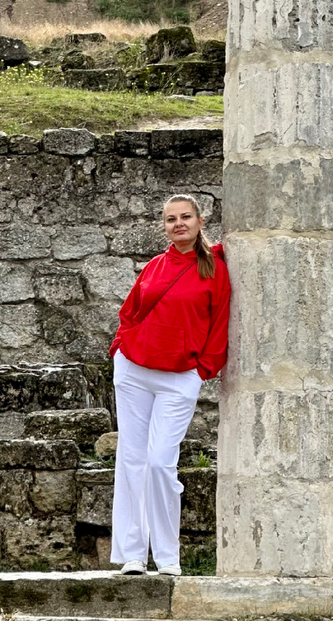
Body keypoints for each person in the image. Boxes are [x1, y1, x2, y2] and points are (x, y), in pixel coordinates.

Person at [109, 194, 231, 577]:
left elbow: (220, 323)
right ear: (164, 226)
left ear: (200, 221)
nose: (178, 223)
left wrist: (202, 370)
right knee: (132, 459)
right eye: (171, 219)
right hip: (134, 370)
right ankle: (133, 554)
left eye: (186, 217)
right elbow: (129, 312)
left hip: (180, 377)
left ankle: (167, 557)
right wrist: (120, 347)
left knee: (160, 463)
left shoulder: (215, 270)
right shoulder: (154, 266)